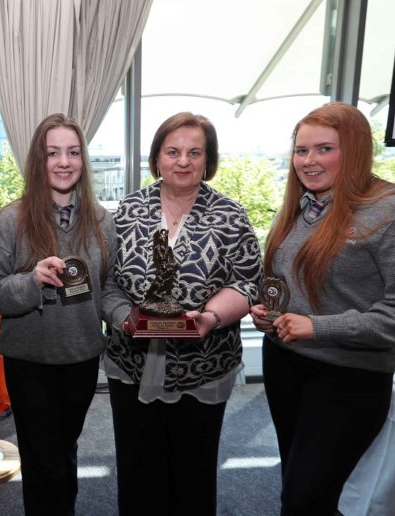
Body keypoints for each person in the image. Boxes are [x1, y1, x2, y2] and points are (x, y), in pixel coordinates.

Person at [250, 102, 395, 515]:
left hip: (348, 378)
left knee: (305, 498)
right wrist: (270, 314)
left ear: (355, 150)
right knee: (297, 488)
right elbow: (296, 286)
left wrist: (319, 327)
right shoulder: (303, 206)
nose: (309, 161)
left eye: (324, 149)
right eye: (301, 150)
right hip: (285, 363)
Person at [102, 112, 263, 515]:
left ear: (208, 160)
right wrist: (124, 317)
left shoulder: (230, 215)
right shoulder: (127, 210)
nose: (183, 161)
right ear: (157, 157)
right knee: (137, 472)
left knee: (193, 473)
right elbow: (107, 281)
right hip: (132, 363)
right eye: (172, 151)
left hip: (202, 367)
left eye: (195, 152)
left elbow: (248, 283)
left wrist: (209, 317)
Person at [0, 113, 116, 515]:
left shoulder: (102, 221)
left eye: (73, 152)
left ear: (83, 160)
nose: (64, 162)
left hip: (81, 359)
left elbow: (109, 286)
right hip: (30, 362)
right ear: (39, 160)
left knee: (65, 449)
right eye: (53, 153)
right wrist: (32, 281)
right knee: (44, 461)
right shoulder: (9, 221)